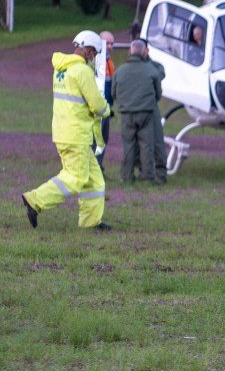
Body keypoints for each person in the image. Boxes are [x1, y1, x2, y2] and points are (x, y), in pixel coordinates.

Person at [21, 30, 112, 231]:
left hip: (64, 132)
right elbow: (96, 103)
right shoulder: (82, 71)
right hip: (76, 135)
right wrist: (107, 110)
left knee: (95, 181)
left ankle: (90, 223)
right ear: (88, 51)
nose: (94, 57)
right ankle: (35, 200)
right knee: (75, 178)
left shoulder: (61, 69)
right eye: (94, 53)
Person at [112, 39, 163, 184]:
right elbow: (158, 94)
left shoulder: (120, 71)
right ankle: (147, 177)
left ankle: (126, 176)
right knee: (146, 145)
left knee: (128, 144)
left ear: (130, 52)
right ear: (144, 52)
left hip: (127, 113)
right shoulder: (152, 70)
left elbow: (114, 93)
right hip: (146, 113)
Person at [140, 39, 168, 183]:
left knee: (157, 141)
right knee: (137, 143)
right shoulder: (130, 67)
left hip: (151, 109)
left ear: (147, 50)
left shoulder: (155, 67)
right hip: (135, 109)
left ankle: (161, 174)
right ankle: (142, 172)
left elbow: (159, 74)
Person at [95, 31, 115, 170]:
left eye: (112, 43)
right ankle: (94, 169)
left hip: (106, 108)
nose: (110, 46)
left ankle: (98, 167)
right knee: (95, 140)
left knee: (103, 139)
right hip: (96, 109)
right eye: (107, 43)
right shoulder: (95, 61)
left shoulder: (110, 62)